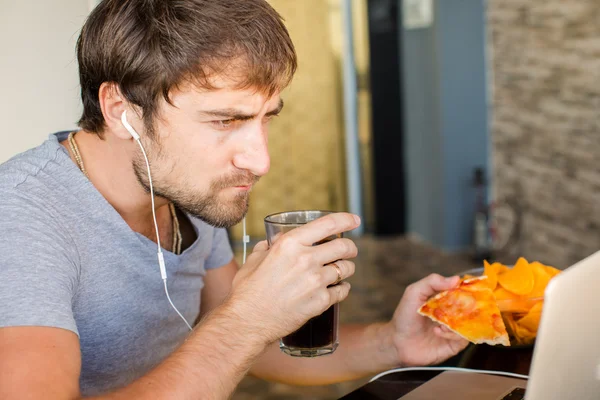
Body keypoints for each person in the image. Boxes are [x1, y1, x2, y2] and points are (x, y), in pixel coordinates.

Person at [0, 0, 467, 398]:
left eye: (266, 118)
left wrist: (393, 343)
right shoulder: (20, 218)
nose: (259, 161)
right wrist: (245, 320)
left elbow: (253, 345)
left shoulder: (185, 189)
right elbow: (237, 332)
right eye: (224, 121)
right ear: (121, 110)